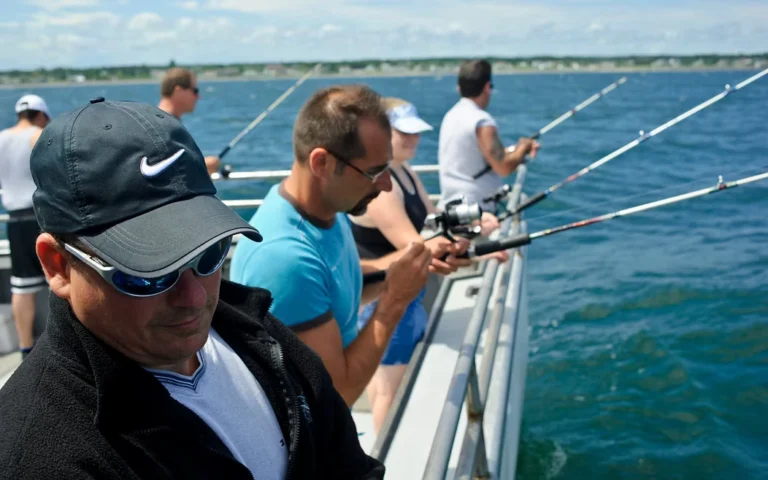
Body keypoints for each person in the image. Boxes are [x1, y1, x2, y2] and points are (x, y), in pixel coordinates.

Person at [0, 98, 384, 479]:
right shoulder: (36, 454)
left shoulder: (253, 328)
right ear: (59, 265)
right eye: (147, 274)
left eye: (209, 253)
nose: (195, 299)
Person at [230, 85, 470, 407]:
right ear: (322, 164)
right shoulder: (285, 259)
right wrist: (394, 301)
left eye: (388, 169)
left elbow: (339, 284)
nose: (386, 186)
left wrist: (403, 270)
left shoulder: (326, 211)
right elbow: (337, 394)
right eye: (374, 172)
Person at [349, 98, 508, 432]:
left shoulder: (405, 172)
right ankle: (386, 461)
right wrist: (476, 251)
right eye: (402, 134)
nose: (412, 140)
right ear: (381, 134)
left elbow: (436, 221)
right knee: (389, 393)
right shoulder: (381, 188)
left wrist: (476, 228)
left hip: (409, 298)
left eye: (415, 133)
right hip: (384, 300)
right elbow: (416, 246)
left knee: (389, 384)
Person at [438, 59, 540, 212]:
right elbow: (503, 167)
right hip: (475, 212)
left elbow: (480, 156)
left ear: (460, 88)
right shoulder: (481, 121)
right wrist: (524, 148)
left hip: (452, 206)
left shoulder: (451, 115)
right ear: (486, 87)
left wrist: (516, 149)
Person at [0, 94, 50, 360]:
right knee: (59, 280)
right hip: (41, 218)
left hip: (15, 221)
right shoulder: (40, 135)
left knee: (21, 287)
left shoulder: (0, 139)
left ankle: (24, 348)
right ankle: (63, 345)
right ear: (40, 115)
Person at [157, 67, 221, 175]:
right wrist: (202, 165)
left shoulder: (161, 120)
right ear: (178, 91)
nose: (198, 97)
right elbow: (165, 168)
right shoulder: (164, 125)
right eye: (195, 91)